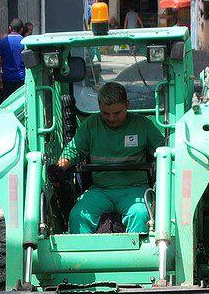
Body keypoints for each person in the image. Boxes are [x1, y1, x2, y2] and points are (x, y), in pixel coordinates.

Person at [54, 81, 163, 234]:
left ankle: (136, 257)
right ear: (99, 107)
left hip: (134, 190)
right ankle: (82, 258)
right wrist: (59, 168)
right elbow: (74, 150)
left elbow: (163, 151)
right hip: (101, 190)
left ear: (127, 105)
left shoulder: (143, 125)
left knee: (140, 214)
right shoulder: (92, 124)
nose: (111, 118)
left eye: (117, 113)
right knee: (77, 215)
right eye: (105, 113)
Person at [0, 19, 26, 106]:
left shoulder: (3, 42)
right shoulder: (24, 42)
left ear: (10, 28)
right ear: (21, 29)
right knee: (20, 101)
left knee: (9, 101)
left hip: (7, 78)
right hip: (21, 77)